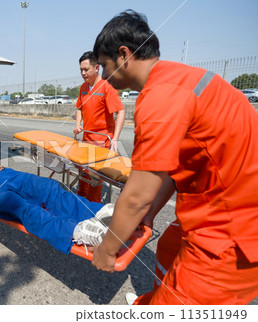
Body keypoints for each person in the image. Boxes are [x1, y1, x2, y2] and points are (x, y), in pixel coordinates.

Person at [91, 10, 258, 305]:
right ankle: (158, 295)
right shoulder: (191, 78)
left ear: (124, 54)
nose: (104, 76)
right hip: (229, 204)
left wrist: (107, 248)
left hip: (233, 235)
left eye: (104, 66)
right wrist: (152, 213)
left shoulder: (160, 96)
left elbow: (137, 195)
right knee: (168, 246)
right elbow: (170, 167)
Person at [0, 150, 114, 254]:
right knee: (22, 207)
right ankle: (78, 232)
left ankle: (98, 212)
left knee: (49, 187)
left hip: (6, 174)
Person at [73, 51, 125, 203]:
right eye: (81, 70)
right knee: (82, 173)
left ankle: (93, 207)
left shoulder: (107, 86)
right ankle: (80, 200)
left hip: (102, 140)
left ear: (96, 68)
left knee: (95, 177)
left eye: (86, 69)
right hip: (86, 137)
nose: (83, 73)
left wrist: (115, 138)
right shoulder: (83, 87)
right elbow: (79, 108)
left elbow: (120, 112)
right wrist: (78, 124)